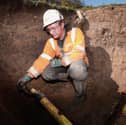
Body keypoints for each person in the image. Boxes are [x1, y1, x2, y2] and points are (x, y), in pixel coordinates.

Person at [17, 9, 89, 99]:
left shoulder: (76, 32)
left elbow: (79, 54)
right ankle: (71, 77)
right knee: (46, 74)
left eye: (53, 28)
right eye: (48, 30)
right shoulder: (51, 42)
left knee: (77, 70)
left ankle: (80, 94)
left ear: (62, 24)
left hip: (78, 63)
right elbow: (43, 60)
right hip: (65, 65)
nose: (51, 32)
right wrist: (27, 77)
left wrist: (59, 62)